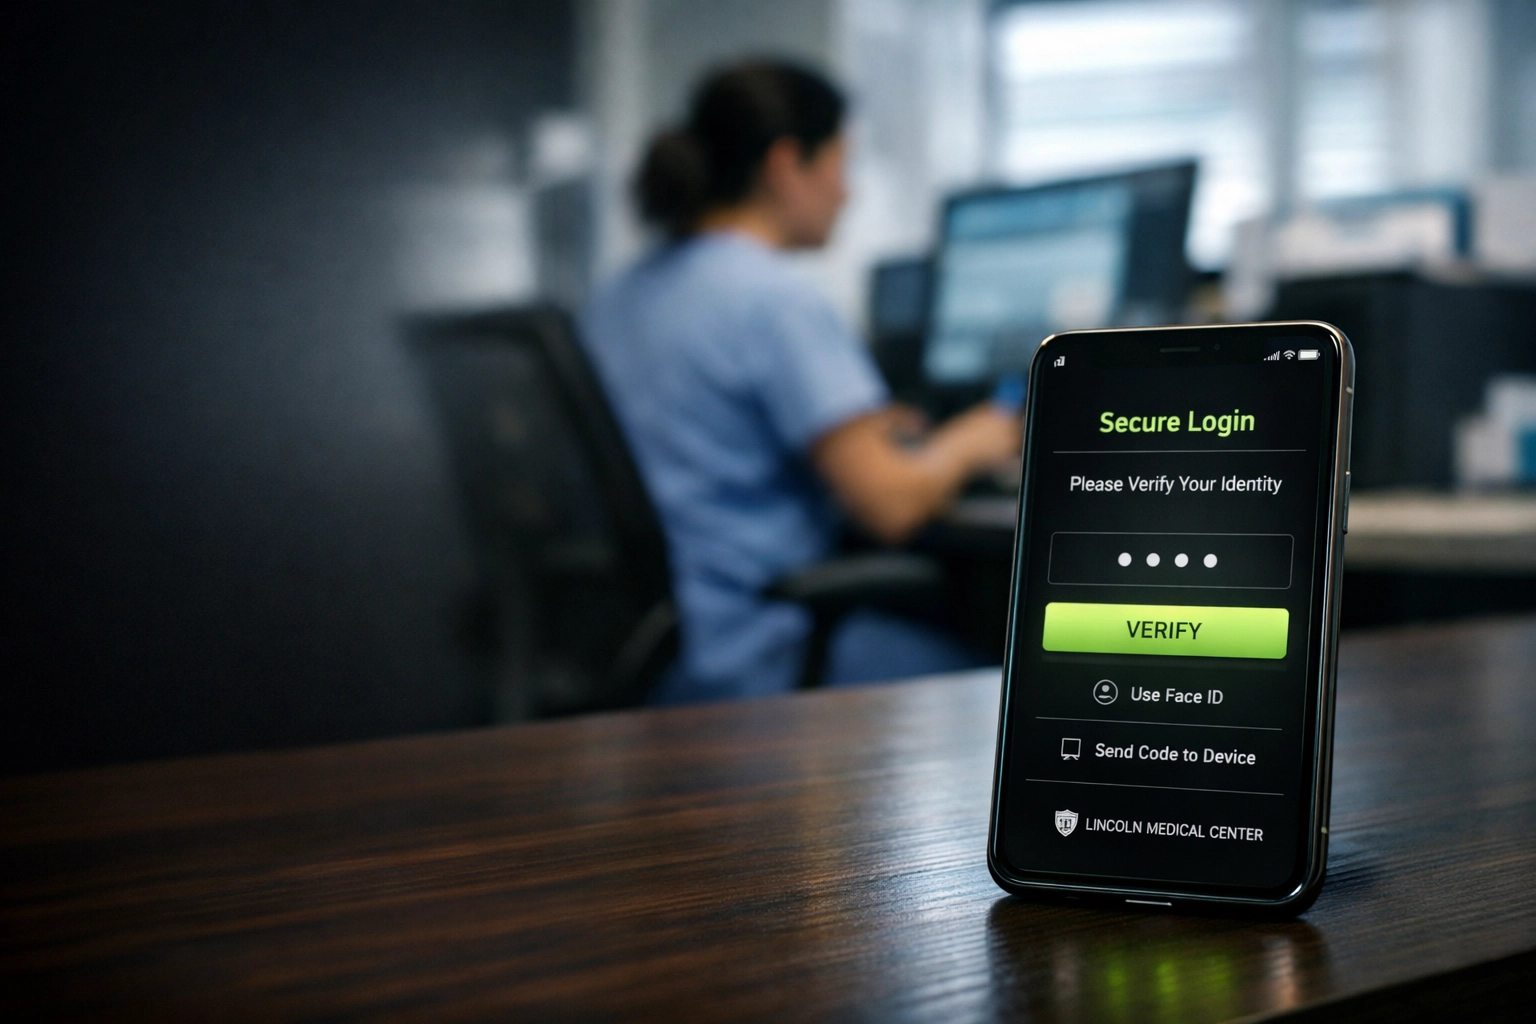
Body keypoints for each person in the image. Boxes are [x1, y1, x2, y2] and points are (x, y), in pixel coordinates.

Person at [583, 59, 1021, 703]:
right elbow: (892, 505)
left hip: (657, 656)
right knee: (1008, 683)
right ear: (788, 165)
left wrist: (860, 429)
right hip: (757, 659)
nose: (848, 193)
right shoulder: (772, 297)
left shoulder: (619, 293)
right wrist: (978, 439)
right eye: (841, 166)